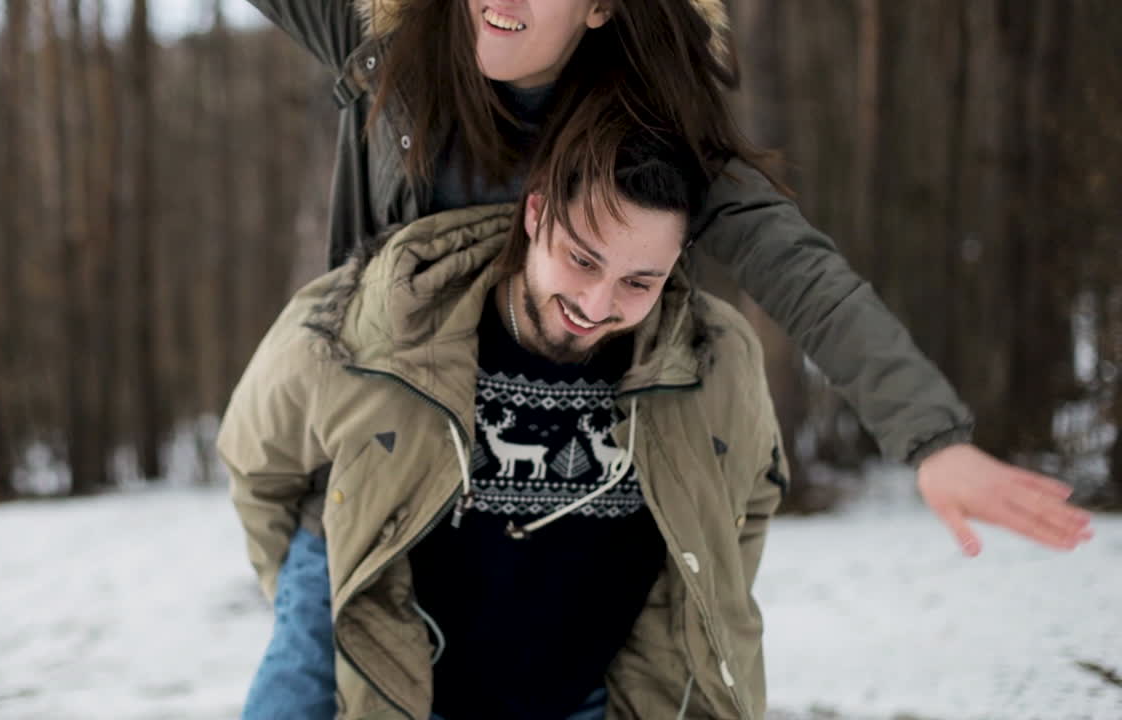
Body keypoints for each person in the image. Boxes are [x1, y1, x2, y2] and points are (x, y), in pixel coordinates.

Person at [230, 0, 1095, 716]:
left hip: (561, 511)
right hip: (383, 480)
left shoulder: (657, 132)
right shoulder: (391, 46)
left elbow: (805, 277)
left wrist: (931, 437)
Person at [220, 122, 785, 719]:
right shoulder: (373, 321)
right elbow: (260, 466)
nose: (596, 306)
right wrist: (309, 602)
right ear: (536, 214)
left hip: (586, 697)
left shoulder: (716, 359)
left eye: (639, 281)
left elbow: (747, 502)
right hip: (387, 683)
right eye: (582, 259)